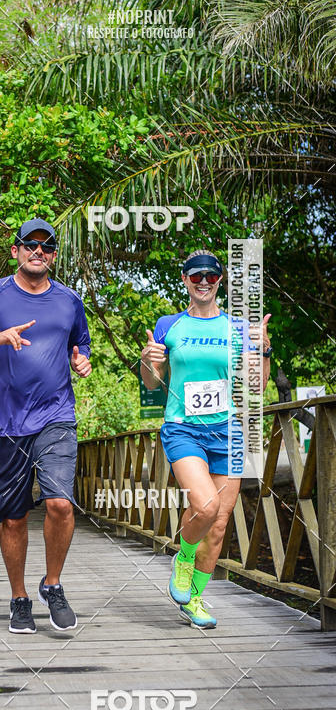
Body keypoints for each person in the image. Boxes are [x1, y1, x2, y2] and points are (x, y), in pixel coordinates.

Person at [0, 218, 92, 634]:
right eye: (30, 245)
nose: (38, 252)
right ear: (16, 251)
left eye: (46, 247)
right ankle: (19, 599)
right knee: (12, 518)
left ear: (54, 256)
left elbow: (81, 347)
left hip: (56, 416)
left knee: (61, 503)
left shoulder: (69, 301)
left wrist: (82, 362)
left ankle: (53, 584)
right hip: (4, 422)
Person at [140, 249, 271, 628]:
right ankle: (182, 558)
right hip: (183, 428)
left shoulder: (237, 329)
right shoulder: (169, 325)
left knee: (219, 522)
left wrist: (263, 349)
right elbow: (151, 384)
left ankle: (195, 599)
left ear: (219, 281)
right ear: (185, 280)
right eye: (195, 275)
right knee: (205, 504)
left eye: (210, 276)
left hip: (229, 431)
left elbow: (256, 387)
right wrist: (151, 362)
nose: (202, 282)